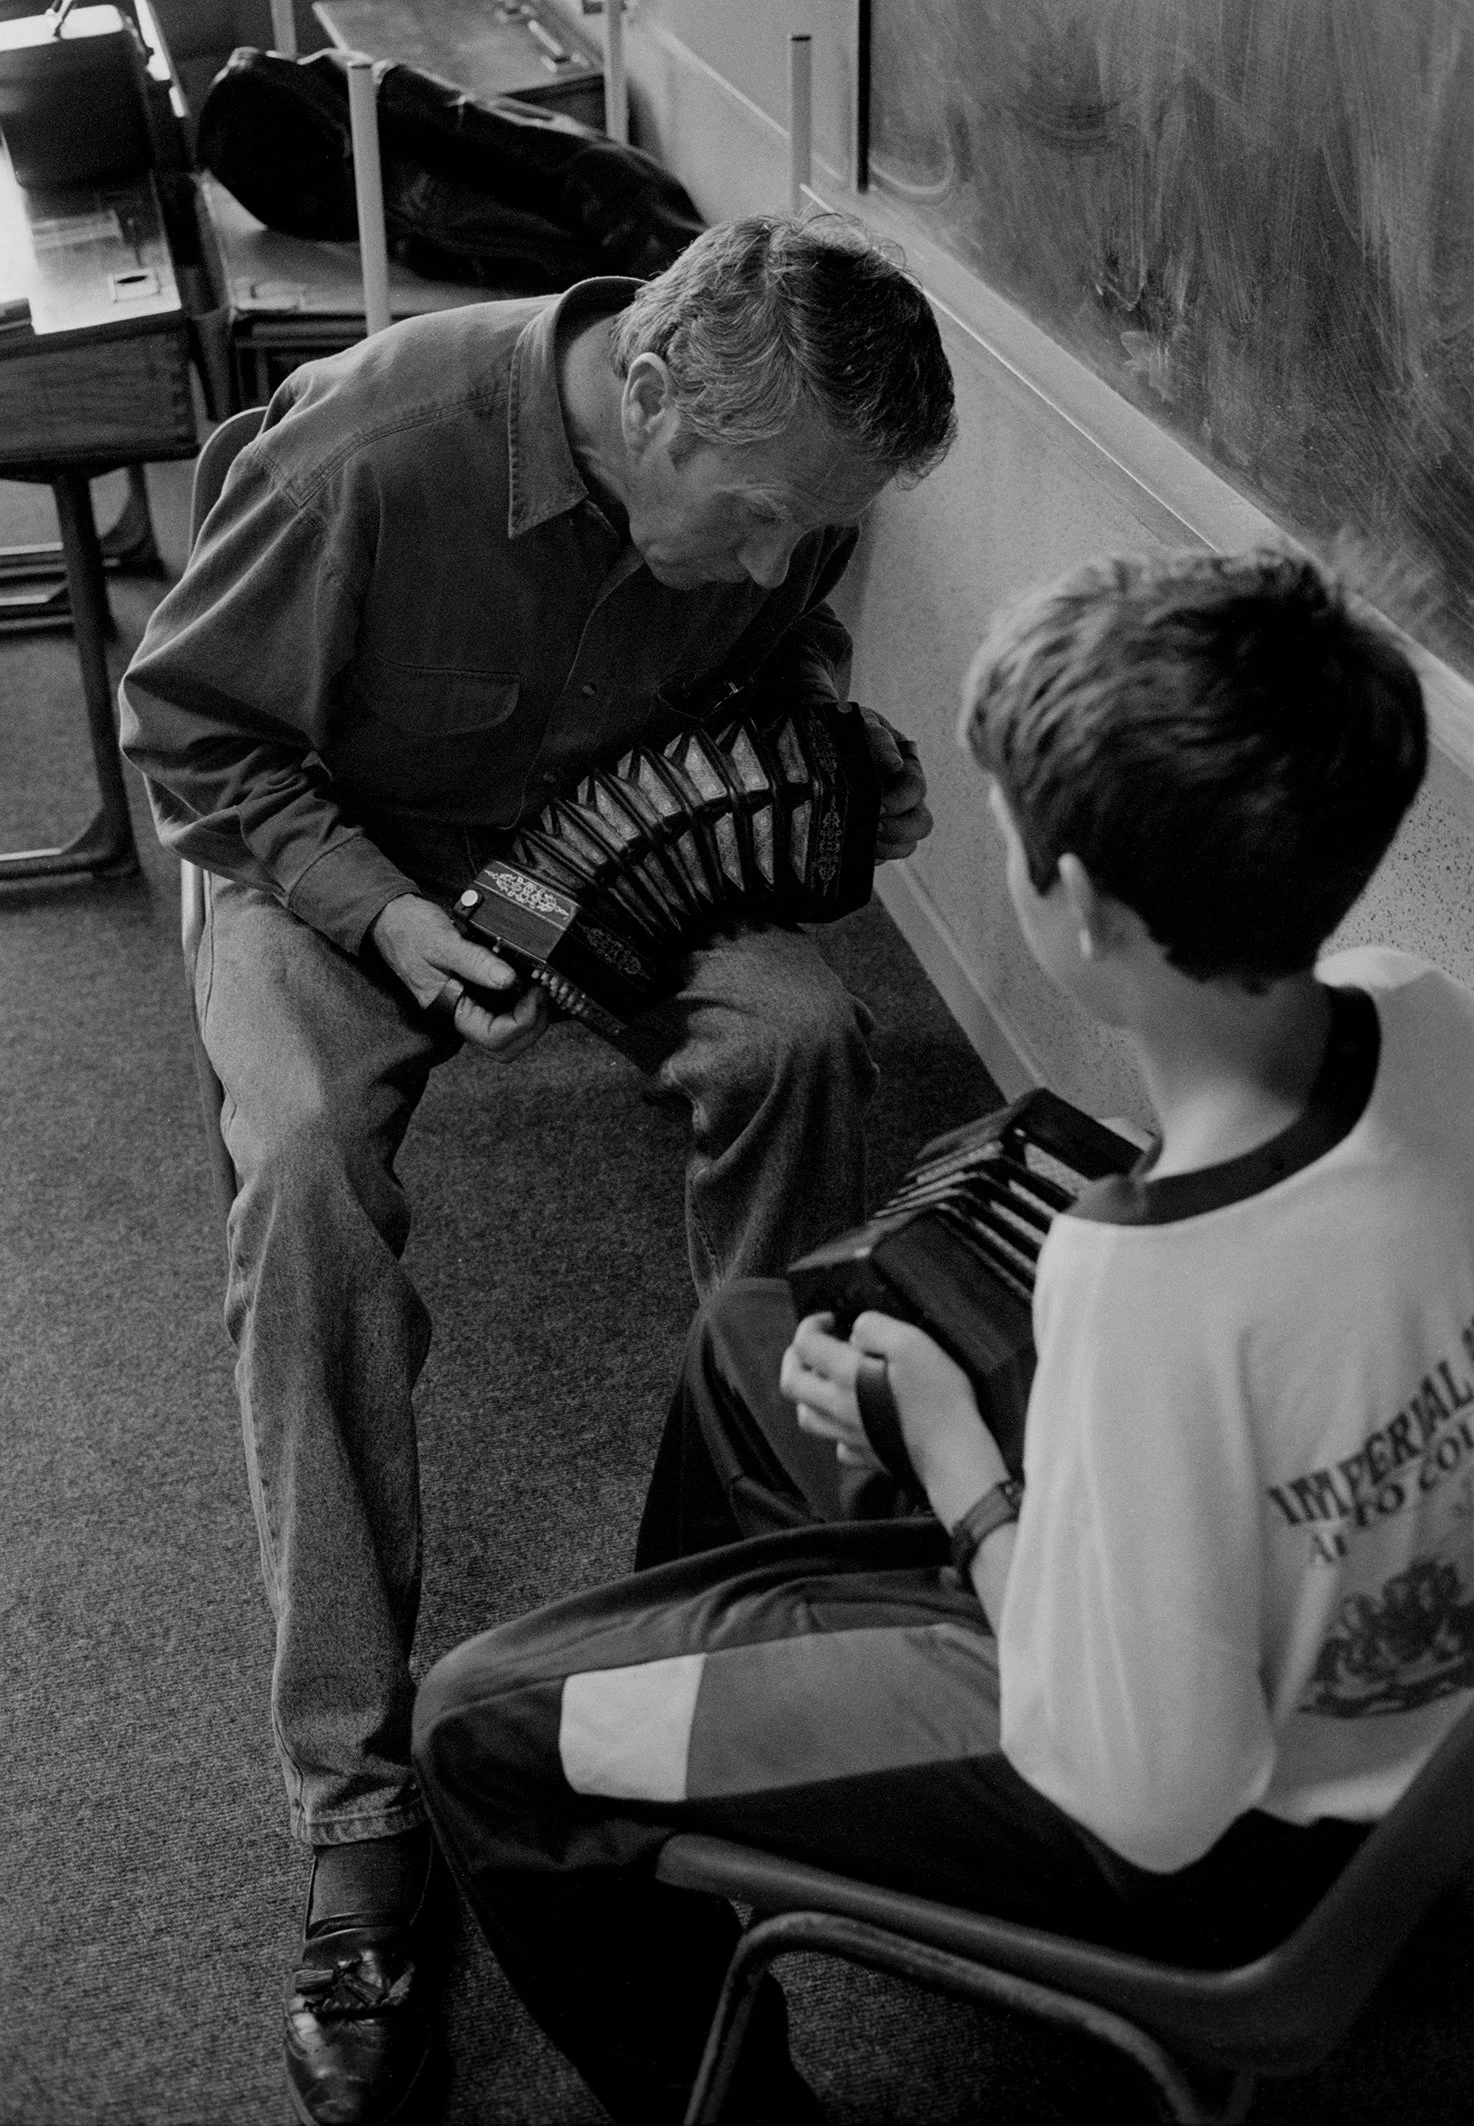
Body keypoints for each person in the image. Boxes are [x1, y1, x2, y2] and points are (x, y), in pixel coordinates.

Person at [412, 547, 1474, 2123]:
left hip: (1222, 1845)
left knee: (475, 1726)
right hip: (1377, 1697)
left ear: (1079, 909)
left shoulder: (1149, 1281)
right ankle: (728, 1725)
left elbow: (1148, 1793)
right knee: (758, 1336)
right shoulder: (1423, 1005)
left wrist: (965, 1469)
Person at [117, 215, 956, 2124]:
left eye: (803, 529)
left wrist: (829, 758)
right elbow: (188, 732)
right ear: (647, 390)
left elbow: (781, 636)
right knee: (315, 1169)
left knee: (808, 1036)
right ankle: (352, 1802)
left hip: (611, 854)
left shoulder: (768, 482)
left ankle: (742, 1585)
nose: (775, 557)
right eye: (756, 516)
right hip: (330, 858)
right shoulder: (364, 451)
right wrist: (386, 918)